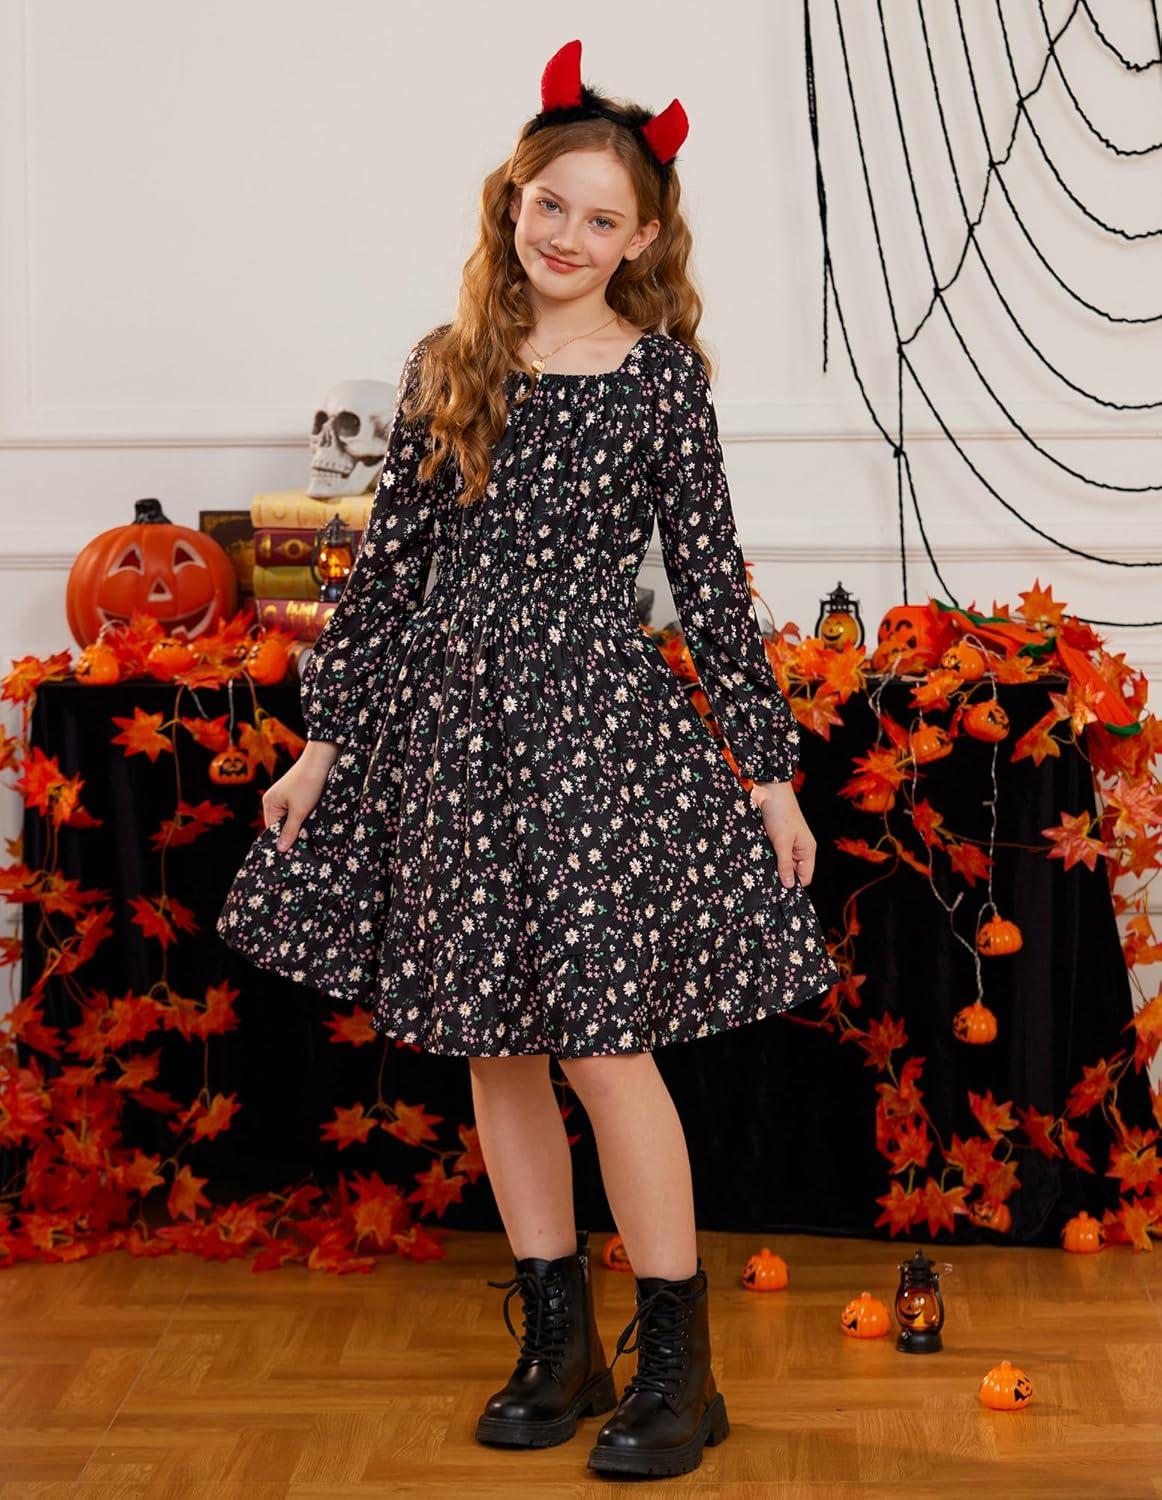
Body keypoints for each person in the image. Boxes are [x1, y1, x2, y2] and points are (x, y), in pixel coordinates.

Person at [217, 37, 839, 1481]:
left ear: (642, 241)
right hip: (452, 735)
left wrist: (766, 771)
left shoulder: (658, 379)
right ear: (513, 199)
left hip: (592, 737)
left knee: (604, 1047)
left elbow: (709, 579)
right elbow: (391, 576)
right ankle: (556, 1341)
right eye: (548, 204)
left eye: (600, 219)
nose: (566, 235)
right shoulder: (449, 366)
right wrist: (327, 745)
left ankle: (678, 1366)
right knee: (495, 1045)